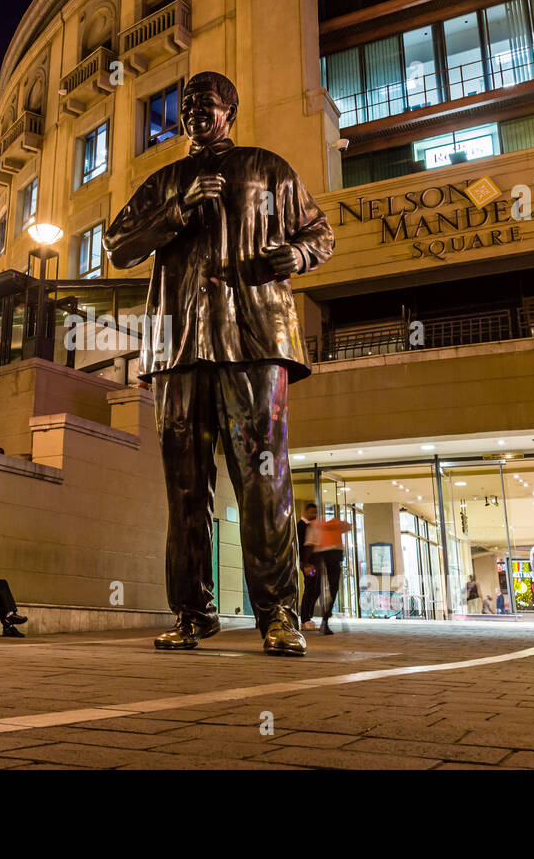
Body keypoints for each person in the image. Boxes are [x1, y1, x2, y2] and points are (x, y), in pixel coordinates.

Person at [104, 70, 335, 657]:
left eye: (206, 104)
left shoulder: (268, 168)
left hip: (255, 339)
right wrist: (177, 211)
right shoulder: (166, 182)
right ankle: (192, 611)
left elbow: (320, 234)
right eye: (187, 107)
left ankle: (280, 613)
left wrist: (299, 253)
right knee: (185, 487)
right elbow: (118, 245)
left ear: (229, 109)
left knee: (263, 479)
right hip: (180, 346)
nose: (195, 114)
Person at [299, 504, 350, 635]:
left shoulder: (316, 525)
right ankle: (309, 619)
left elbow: (309, 545)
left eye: (315, 512)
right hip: (323, 557)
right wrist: (305, 564)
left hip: (321, 557)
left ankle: (314, 618)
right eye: (311, 512)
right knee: (316, 588)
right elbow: (306, 545)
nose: (314, 514)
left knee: (318, 589)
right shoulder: (311, 525)